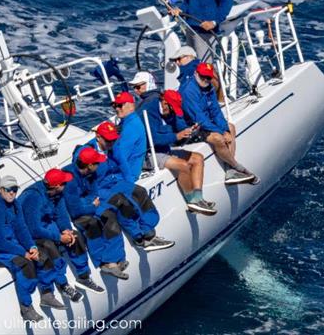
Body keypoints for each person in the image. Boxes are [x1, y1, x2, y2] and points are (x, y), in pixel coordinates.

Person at [87, 120, 173, 250]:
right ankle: (138, 238)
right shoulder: (87, 153)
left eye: (113, 140)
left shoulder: (112, 145)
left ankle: (147, 232)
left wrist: (129, 182)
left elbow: (122, 162)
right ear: (98, 137)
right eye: (108, 140)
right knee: (122, 203)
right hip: (99, 188)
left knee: (139, 191)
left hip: (113, 181)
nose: (111, 143)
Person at [19, 169, 105, 297]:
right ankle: (62, 285)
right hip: (28, 232)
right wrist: (59, 237)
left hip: (46, 224)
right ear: (56, 185)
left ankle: (84, 277)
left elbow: (61, 214)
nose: (66, 184)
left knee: (74, 236)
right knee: (50, 246)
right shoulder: (34, 197)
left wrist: (66, 230)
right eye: (64, 183)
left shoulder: (57, 193)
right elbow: (34, 229)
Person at [0, 175, 43, 322]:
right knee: (22, 263)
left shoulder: (15, 205)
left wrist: (31, 247)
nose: (12, 193)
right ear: (0, 190)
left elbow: (22, 229)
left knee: (40, 255)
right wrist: (23, 253)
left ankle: (46, 294)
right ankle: (26, 307)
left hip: (7, 246)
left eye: (15, 190)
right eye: (8, 190)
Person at [139, 89, 216, 215]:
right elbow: (153, 139)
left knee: (198, 158)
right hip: (146, 153)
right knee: (183, 165)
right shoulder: (147, 113)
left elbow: (176, 124)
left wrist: (188, 130)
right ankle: (192, 202)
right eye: (172, 108)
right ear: (164, 102)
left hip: (162, 150)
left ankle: (198, 198)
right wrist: (176, 136)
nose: (172, 112)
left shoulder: (167, 109)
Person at [180, 63, 257, 184]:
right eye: (203, 76)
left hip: (204, 124)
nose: (206, 80)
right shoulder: (188, 92)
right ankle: (238, 167)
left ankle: (230, 171)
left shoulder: (208, 87)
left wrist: (224, 129)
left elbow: (215, 112)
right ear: (196, 74)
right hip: (191, 128)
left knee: (230, 128)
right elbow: (198, 118)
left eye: (208, 77)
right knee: (218, 138)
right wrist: (220, 132)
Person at [62, 147, 129, 280]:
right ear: (90, 165)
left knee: (109, 216)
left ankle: (116, 259)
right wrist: (91, 205)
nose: (99, 164)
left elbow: (93, 193)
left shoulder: (90, 174)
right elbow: (75, 209)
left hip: (88, 206)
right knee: (92, 224)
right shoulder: (69, 179)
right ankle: (104, 263)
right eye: (97, 163)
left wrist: (88, 203)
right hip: (75, 213)